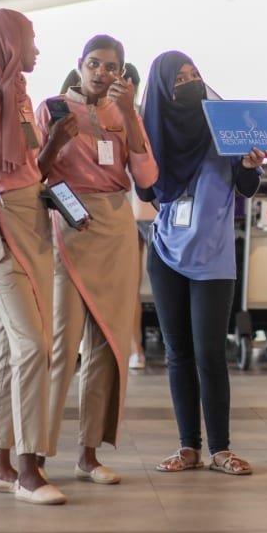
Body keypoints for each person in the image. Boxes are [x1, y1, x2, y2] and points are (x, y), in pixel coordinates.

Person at [0, 9, 70, 505]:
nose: (36, 50)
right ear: (7, 44)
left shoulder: (19, 97)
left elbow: (31, 166)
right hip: (3, 226)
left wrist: (56, 145)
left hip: (35, 222)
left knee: (10, 347)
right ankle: (28, 469)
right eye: (29, 40)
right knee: (34, 346)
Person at [34, 36, 155, 486]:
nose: (102, 73)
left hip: (117, 225)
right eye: (94, 64)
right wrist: (55, 141)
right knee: (61, 345)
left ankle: (89, 454)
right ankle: (36, 453)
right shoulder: (52, 109)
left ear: (122, 73)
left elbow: (146, 177)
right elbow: (33, 172)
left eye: (111, 67)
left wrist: (130, 116)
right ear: (80, 65)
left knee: (109, 343)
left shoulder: (125, 113)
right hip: (70, 225)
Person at [140, 51, 266, 476]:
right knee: (177, 353)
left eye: (194, 74)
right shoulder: (154, 131)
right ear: (163, 89)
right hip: (166, 252)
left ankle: (221, 449)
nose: (190, 82)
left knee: (210, 352)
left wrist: (249, 164)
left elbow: (247, 185)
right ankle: (188, 447)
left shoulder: (222, 124)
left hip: (213, 255)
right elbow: (146, 190)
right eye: (179, 78)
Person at [122, 60, 150, 371]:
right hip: (125, 210)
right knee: (129, 285)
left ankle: (138, 349)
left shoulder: (144, 116)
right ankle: (135, 348)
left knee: (136, 285)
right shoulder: (105, 115)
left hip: (147, 209)